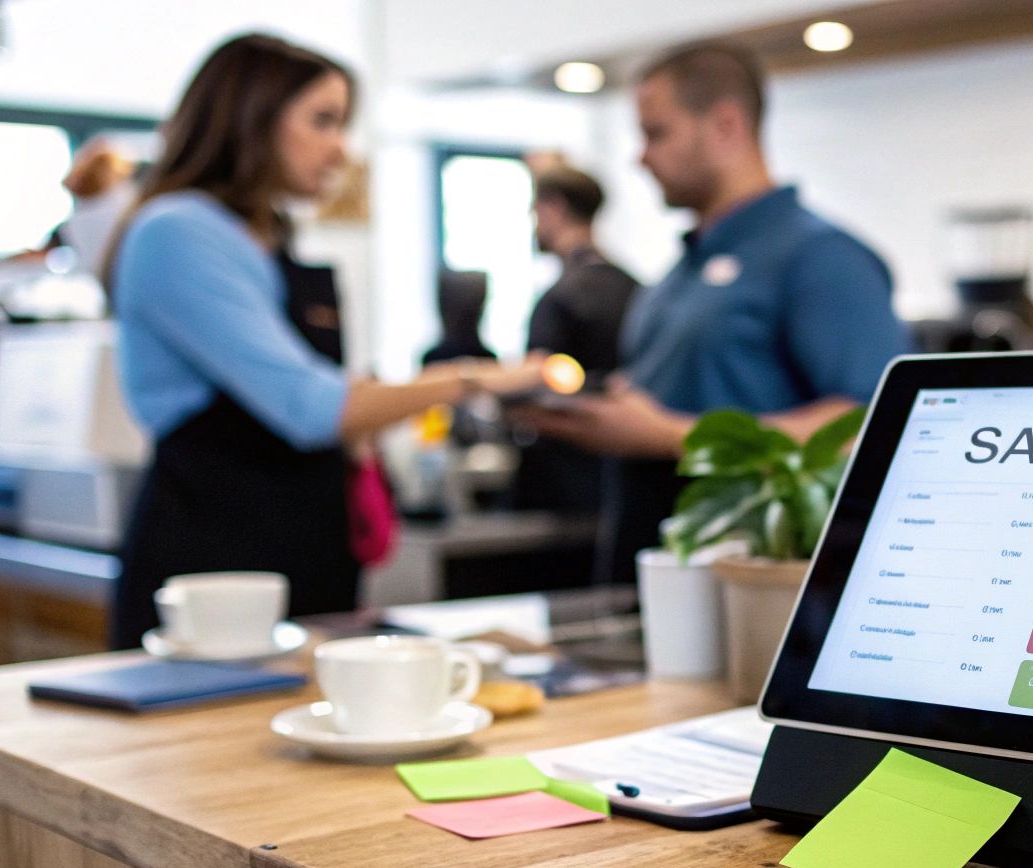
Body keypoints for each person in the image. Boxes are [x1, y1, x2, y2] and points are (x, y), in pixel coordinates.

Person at [104, 34, 543, 647]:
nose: (341, 149)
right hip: (217, 566)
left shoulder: (266, 236)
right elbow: (312, 409)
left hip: (295, 550)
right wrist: (478, 378)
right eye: (323, 121)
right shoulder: (177, 231)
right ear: (252, 116)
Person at [523, 42, 910, 580]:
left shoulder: (821, 258)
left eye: (657, 133)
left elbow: (869, 426)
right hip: (649, 566)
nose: (640, 157)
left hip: (747, 580)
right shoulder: (678, 272)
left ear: (726, 125)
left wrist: (668, 434)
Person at [512, 165, 640, 518]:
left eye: (535, 212)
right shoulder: (636, 288)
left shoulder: (560, 298)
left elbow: (536, 387)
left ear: (554, 207)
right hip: (625, 476)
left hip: (567, 486)